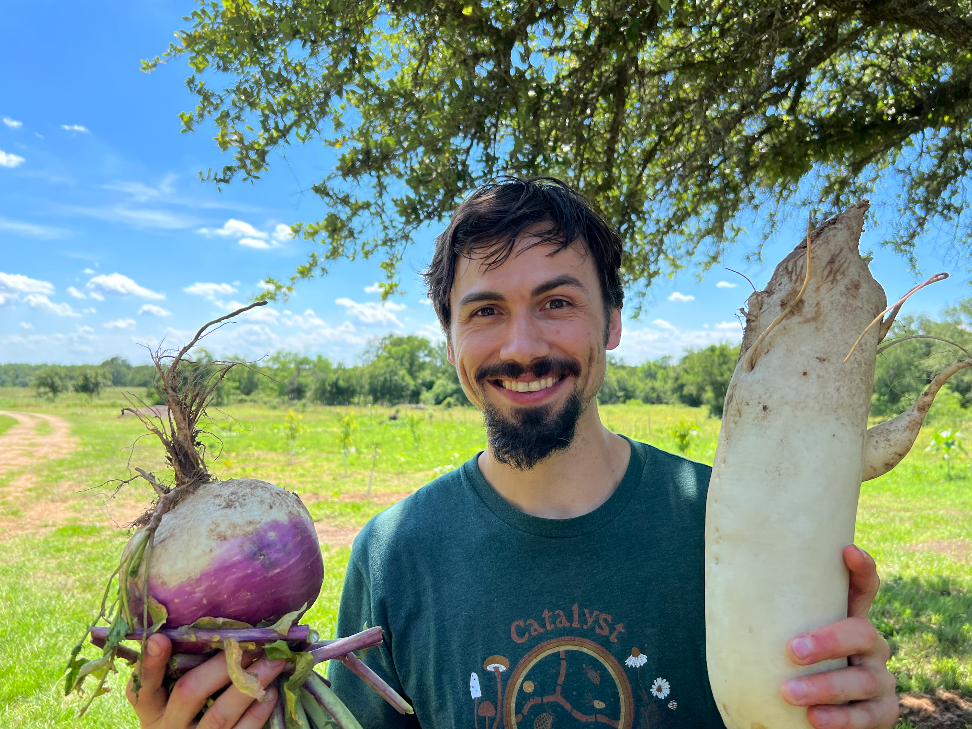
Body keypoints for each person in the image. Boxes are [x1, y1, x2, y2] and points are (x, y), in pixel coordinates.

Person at [128, 177, 898, 729]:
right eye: (486, 311)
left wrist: (847, 707)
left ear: (614, 321)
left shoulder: (728, 524)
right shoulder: (395, 554)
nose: (522, 346)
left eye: (557, 303)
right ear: (452, 340)